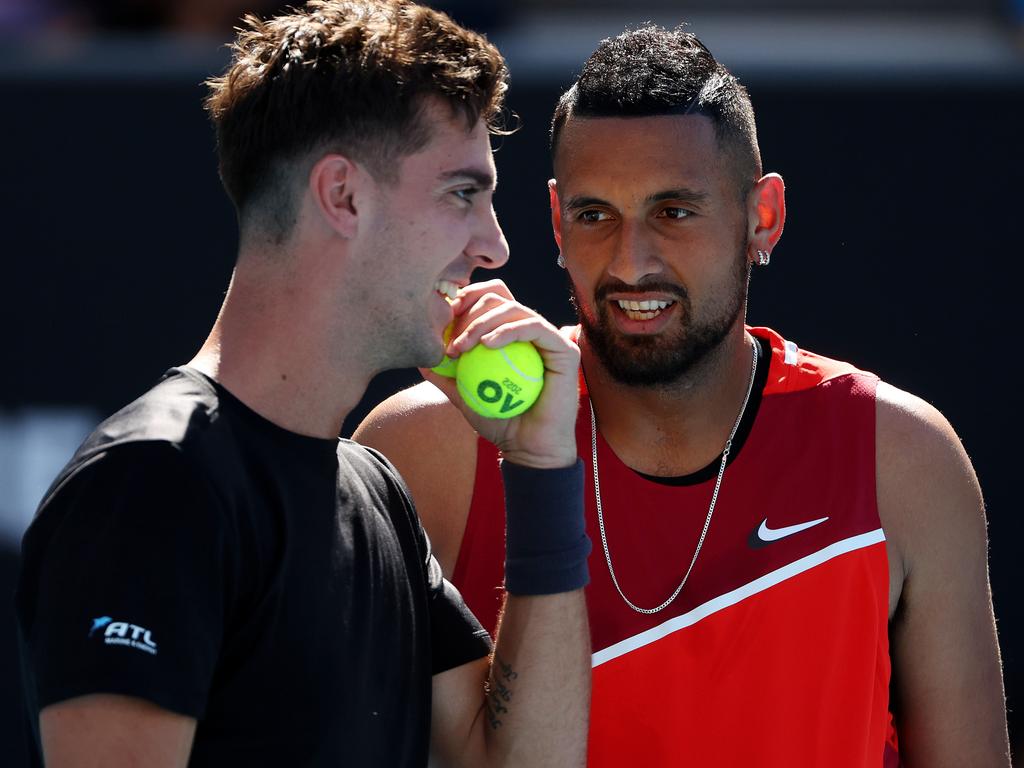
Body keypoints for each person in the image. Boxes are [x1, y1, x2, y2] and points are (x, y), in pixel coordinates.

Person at [354, 24, 1012, 766]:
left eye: (675, 211)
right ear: (556, 223)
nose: (632, 262)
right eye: (595, 214)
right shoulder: (425, 453)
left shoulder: (905, 459)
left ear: (762, 217)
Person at [16, 2, 592, 766]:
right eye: (462, 193)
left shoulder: (377, 494)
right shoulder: (152, 482)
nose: (495, 245)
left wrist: (542, 467)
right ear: (343, 196)